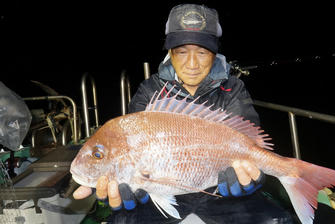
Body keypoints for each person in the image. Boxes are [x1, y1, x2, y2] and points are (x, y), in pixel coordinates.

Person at [74, 4, 293, 223]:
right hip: (162, 195)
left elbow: (252, 145)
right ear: (170, 52)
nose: (191, 64)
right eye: (181, 51)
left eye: (202, 52)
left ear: (214, 53)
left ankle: (291, 174)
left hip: (218, 194)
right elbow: (131, 163)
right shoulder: (149, 91)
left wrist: (251, 178)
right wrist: (110, 184)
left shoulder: (233, 88)